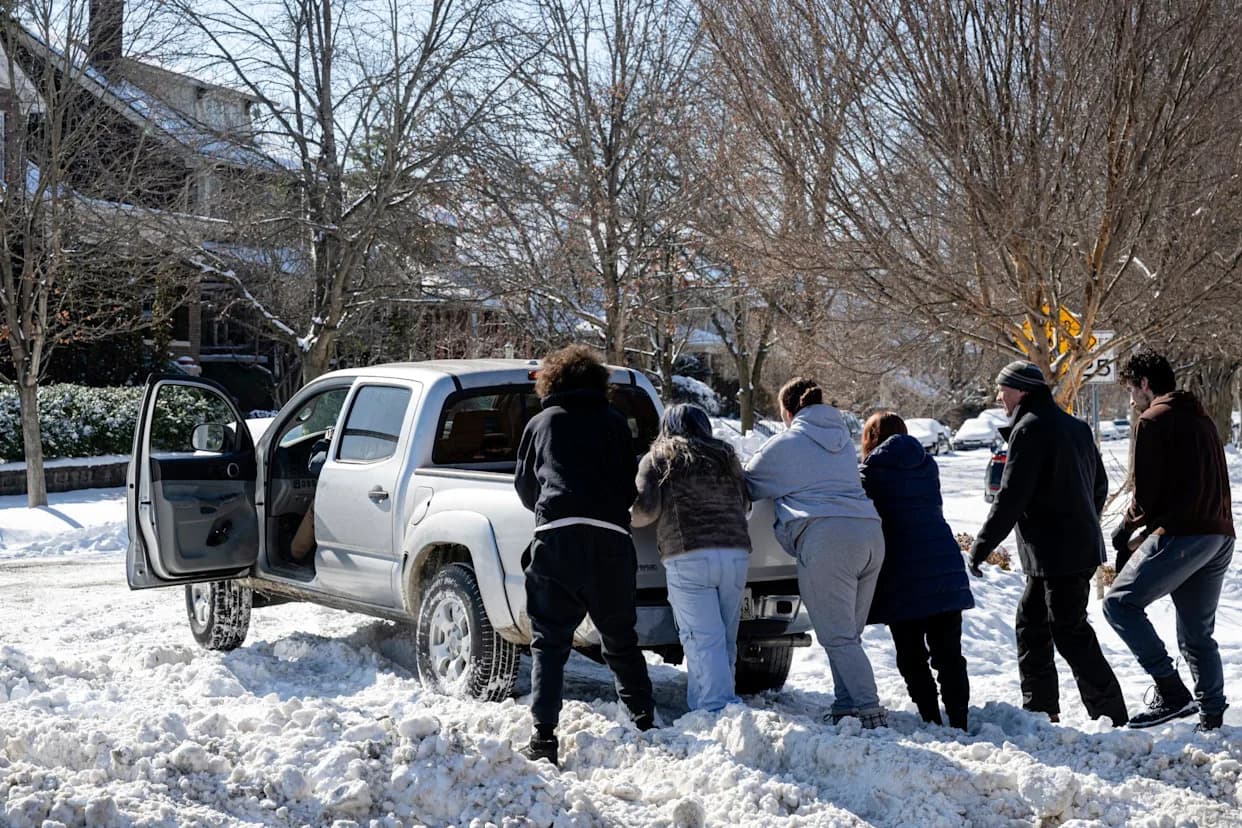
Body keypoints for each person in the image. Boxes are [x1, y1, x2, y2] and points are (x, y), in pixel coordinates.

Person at [514, 345, 655, 766]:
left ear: (551, 381)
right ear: (597, 382)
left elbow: (524, 487)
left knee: (550, 643)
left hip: (558, 539)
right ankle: (645, 721)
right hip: (612, 541)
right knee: (620, 640)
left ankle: (543, 737)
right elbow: (629, 486)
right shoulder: (614, 423)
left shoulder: (540, 424)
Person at [968, 361, 1128, 726]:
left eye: (1002, 389)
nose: (998, 396)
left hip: (1057, 554)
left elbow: (1011, 497)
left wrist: (981, 546)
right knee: (1032, 624)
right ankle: (1041, 709)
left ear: (1021, 391)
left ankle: (1111, 715)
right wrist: (1083, 519)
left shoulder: (1029, 429)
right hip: (1068, 550)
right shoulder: (1075, 427)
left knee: (1068, 631)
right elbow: (1099, 485)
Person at [744, 377, 889, 728]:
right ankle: (845, 704)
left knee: (837, 635)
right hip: (870, 534)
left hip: (828, 539)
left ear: (788, 411)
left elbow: (747, 483)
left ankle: (868, 709)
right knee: (847, 635)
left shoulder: (787, 443)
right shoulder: (842, 441)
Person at [1103, 352, 1235, 730]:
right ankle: (1211, 714)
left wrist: (1126, 530)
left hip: (1184, 535)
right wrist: (1146, 532)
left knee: (1119, 604)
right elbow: (1185, 487)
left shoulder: (1153, 420)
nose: (1131, 399)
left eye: (1131, 389)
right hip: (1219, 536)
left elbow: (1146, 497)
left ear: (1145, 384)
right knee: (1196, 632)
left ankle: (1171, 691)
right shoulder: (1202, 419)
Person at [632, 403, 751, 713]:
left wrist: (623, 516)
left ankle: (716, 711)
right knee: (724, 638)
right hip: (736, 553)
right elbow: (745, 503)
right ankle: (710, 707)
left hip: (690, 555)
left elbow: (645, 511)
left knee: (701, 639)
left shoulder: (659, 458)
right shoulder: (727, 457)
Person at [859, 412, 974, 729]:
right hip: (944, 565)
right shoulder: (927, 467)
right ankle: (960, 719)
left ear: (870, 439)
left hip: (901, 572)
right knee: (949, 653)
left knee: (911, 655)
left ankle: (930, 717)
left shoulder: (870, 474)